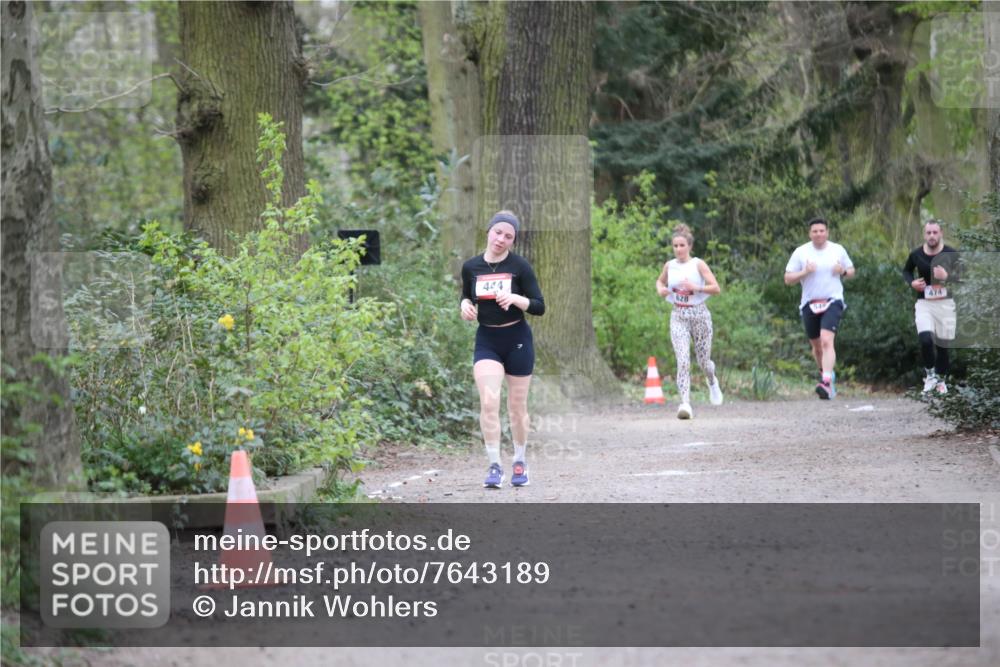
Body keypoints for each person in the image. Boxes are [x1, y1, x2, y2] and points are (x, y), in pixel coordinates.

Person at [460, 211, 545, 488]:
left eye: (508, 236)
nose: (501, 239)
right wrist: (464, 306)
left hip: (517, 339)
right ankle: (494, 465)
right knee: (488, 402)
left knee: (517, 407)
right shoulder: (471, 267)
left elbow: (539, 305)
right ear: (489, 231)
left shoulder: (520, 266)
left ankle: (520, 460)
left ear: (513, 241)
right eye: (498, 232)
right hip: (487, 340)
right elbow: (466, 296)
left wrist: (516, 298)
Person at [655, 224, 723, 420]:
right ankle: (685, 403)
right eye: (675, 245)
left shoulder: (698, 264)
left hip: (700, 315)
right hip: (678, 316)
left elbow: (716, 288)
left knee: (704, 362)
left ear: (690, 246)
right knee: (683, 361)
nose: (678, 249)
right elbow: (660, 281)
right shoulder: (670, 265)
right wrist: (661, 289)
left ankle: (711, 380)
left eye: (682, 245)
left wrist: (696, 287)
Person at [784, 217, 855, 399]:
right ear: (810, 234)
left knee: (826, 340)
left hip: (833, 300)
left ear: (827, 232)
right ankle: (826, 373)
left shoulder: (837, 249)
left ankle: (826, 382)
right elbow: (788, 279)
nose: (818, 234)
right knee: (816, 347)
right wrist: (805, 272)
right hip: (809, 303)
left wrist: (843, 272)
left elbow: (851, 271)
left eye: (821, 231)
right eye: (815, 231)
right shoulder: (801, 252)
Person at [902, 220, 959, 394]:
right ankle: (930, 376)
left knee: (943, 345)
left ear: (941, 233)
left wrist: (946, 276)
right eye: (929, 233)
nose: (932, 236)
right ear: (924, 234)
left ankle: (941, 381)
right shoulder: (916, 254)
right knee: (925, 340)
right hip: (924, 303)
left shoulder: (951, 253)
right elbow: (906, 271)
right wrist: (912, 282)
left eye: (935, 232)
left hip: (946, 304)